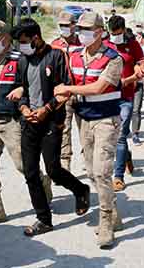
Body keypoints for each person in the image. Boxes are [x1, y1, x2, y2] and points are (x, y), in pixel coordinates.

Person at [13, 18, 91, 237]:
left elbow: (65, 90)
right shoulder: (22, 60)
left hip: (50, 122)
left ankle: (80, 189)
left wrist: (46, 110)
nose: (22, 45)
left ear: (36, 38)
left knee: (53, 170)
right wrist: (24, 108)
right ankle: (43, 219)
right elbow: (21, 89)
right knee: (30, 172)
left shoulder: (56, 55)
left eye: (24, 41)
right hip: (29, 122)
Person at [54, 11, 123, 249]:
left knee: (103, 172)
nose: (81, 33)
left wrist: (68, 89)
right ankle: (113, 212)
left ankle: (105, 223)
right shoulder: (74, 56)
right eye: (79, 29)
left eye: (87, 30)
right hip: (84, 120)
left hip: (105, 120)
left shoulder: (113, 58)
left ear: (100, 32)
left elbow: (98, 87)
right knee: (92, 173)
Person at [0, 19, 51, 227]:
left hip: (14, 121)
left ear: (7, 38)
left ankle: (43, 186)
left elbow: (36, 84)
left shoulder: (22, 59)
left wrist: (22, 91)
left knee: (23, 165)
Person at [104, 15, 144, 192]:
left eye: (118, 33)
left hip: (125, 97)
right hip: (106, 96)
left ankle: (118, 177)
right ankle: (126, 156)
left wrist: (138, 71)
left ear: (123, 30)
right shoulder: (104, 44)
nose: (115, 36)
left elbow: (142, 64)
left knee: (121, 135)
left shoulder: (132, 45)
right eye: (112, 33)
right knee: (109, 136)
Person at [51, 11, 84, 171]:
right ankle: (65, 162)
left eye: (67, 25)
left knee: (85, 128)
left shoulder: (83, 43)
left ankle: (87, 157)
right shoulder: (54, 45)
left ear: (74, 26)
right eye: (61, 25)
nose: (64, 28)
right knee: (64, 128)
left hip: (83, 92)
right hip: (64, 94)